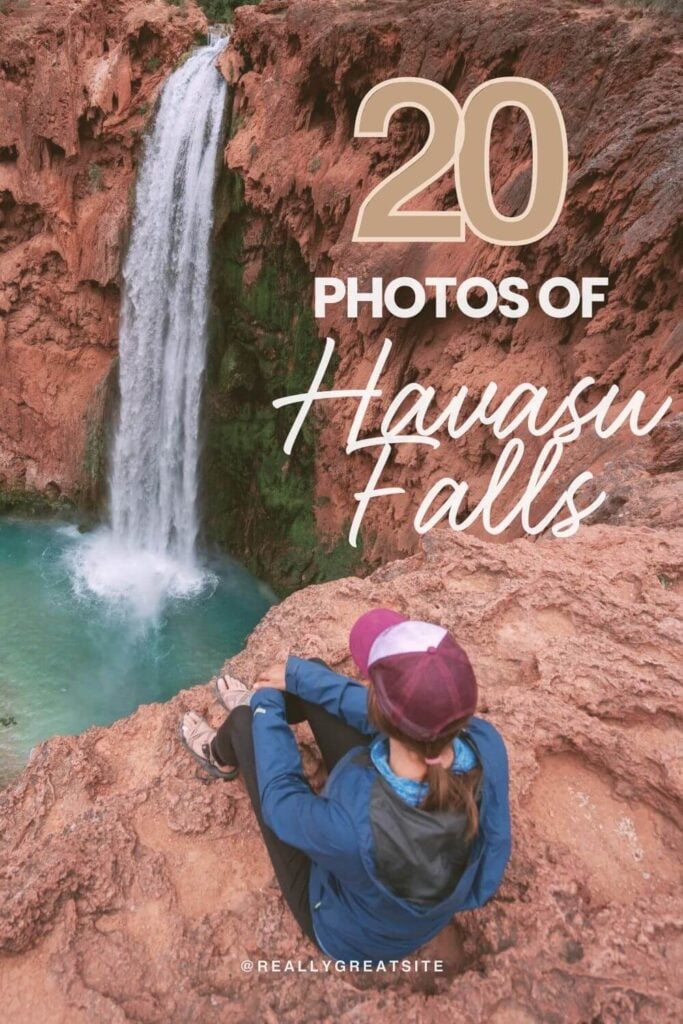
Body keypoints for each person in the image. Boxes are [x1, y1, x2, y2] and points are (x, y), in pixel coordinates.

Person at [180, 608, 511, 962]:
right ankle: (267, 697)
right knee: (315, 677)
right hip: (395, 884)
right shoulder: (484, 741)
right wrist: (296, 677)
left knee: (246, 724)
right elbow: (495, 844)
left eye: (366, 681)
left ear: (376, 706)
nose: (360, 678)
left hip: (348, 932)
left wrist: (266, 707)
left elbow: (281, 800)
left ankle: (222, 753)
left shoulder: (354, 827)